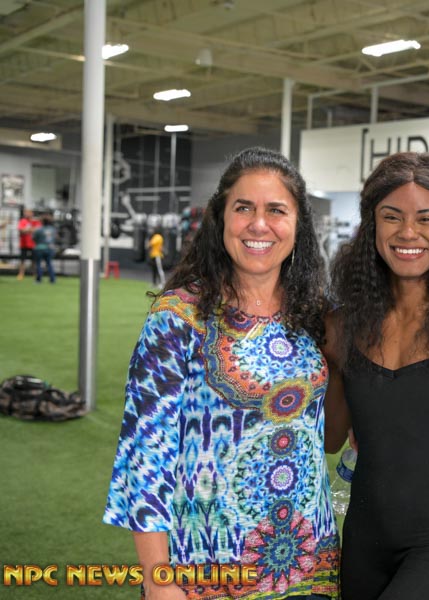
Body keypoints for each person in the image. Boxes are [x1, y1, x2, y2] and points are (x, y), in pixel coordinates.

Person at [103, 147, 338, 600]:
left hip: (309, 564)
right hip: (208, 566)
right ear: (220, 218)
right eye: (243, 208)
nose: (259, 224)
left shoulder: (315, 312)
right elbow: (145, 454)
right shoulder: (179, 316)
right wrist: (157, 578)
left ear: (298, 224)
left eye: (276, 210)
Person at [325, 152, 429, 600]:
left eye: (427, 218)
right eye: (392, 216)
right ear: (372, 224)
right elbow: (331, 439)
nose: (408, 232)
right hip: (361, 544)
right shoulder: (342, 327)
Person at [17, 208, 40, 280]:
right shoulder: (22, 221)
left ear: (32, 213)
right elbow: (21, 230)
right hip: (23, 244)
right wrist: (31, 229)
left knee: (34, 260)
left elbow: (38, 230)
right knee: (22, 260)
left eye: (28, 212)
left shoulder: (36, 221)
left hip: (33, 244)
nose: (27, 214)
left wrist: (27, 230)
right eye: (25, 212)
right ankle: (21, 274)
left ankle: (34, 274)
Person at [32, 215, 56, 284]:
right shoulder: (53, 230)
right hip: (50, 248)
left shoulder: (39, 229)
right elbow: (54, 238)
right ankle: (52, 279)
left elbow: (34, 238)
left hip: (39, 248)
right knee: (49, 264)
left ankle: (39, 279)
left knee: (39, 264)